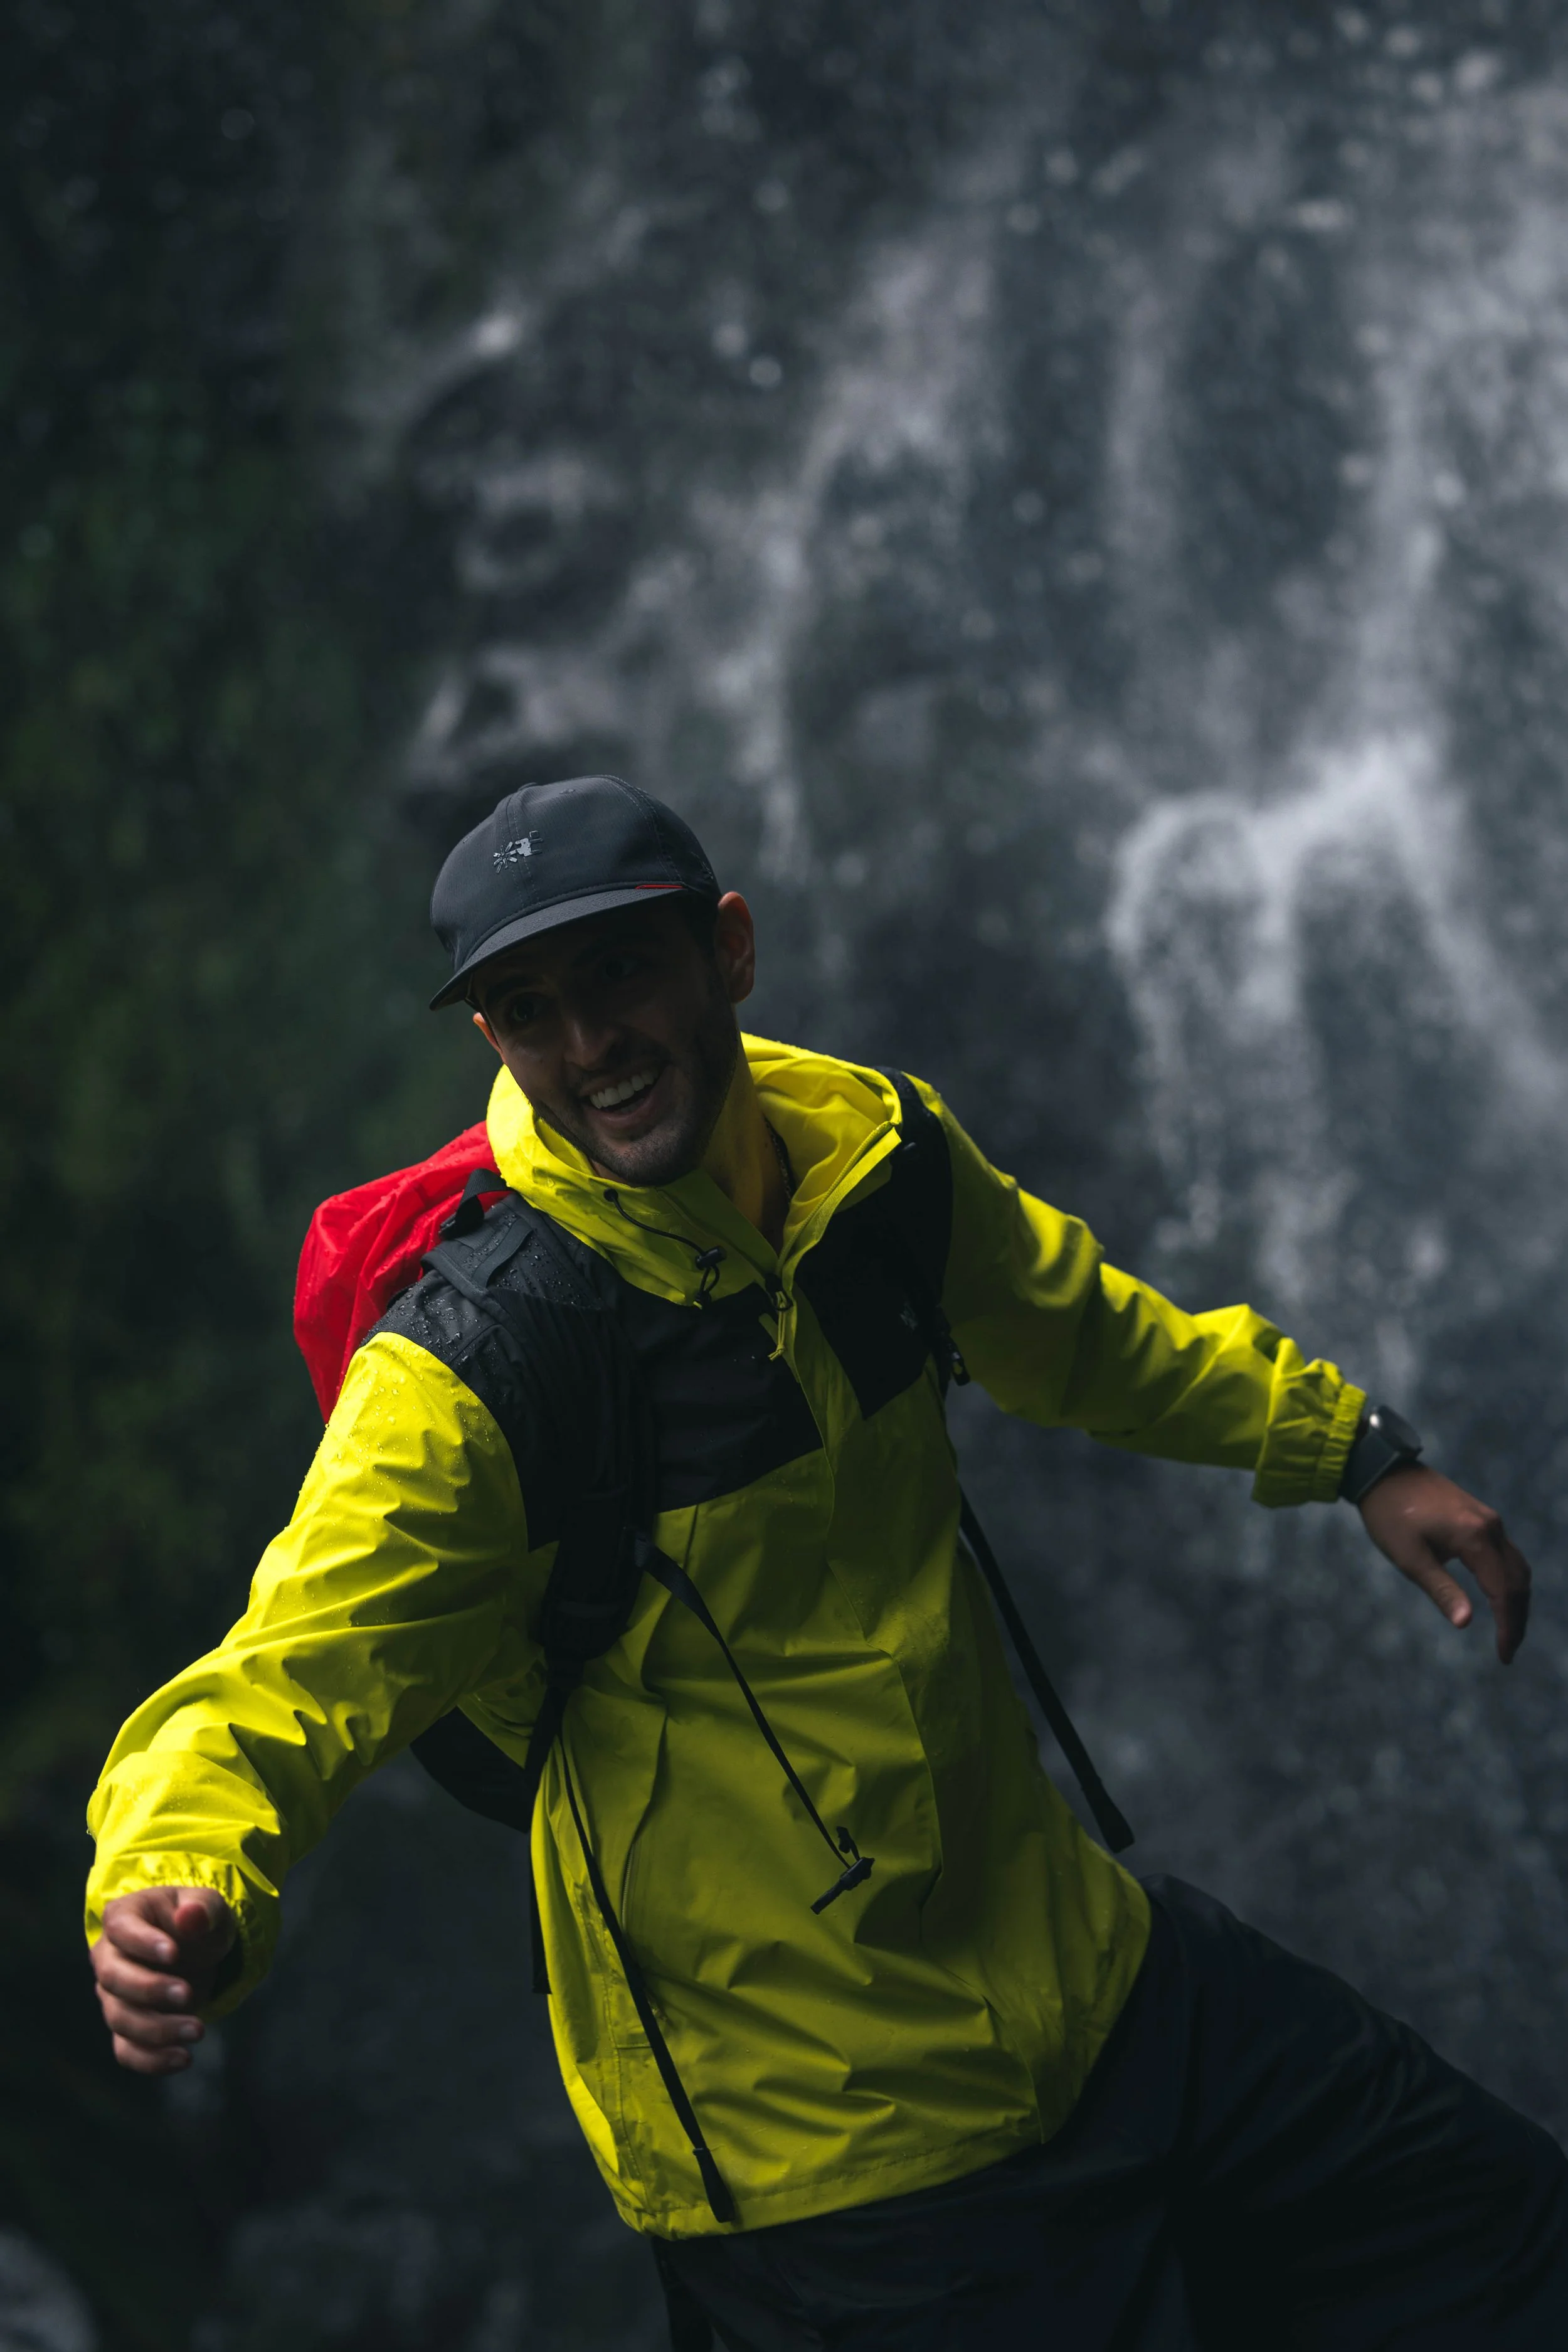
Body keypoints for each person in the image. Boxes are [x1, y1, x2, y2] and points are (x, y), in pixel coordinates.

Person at [86, 776, 1564, 2349]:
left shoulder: (867, 1165)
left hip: (1095, 1983)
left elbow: (1072, 1329)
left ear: (724, 949)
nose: (589, 1045)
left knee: (1511, 2252)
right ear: (489, 1046)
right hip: (838, 2173)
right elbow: (283, 1679)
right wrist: (176, 1881)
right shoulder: (475, 1370)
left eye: (616, 974)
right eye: (529, 1011)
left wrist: (1349, 1450)